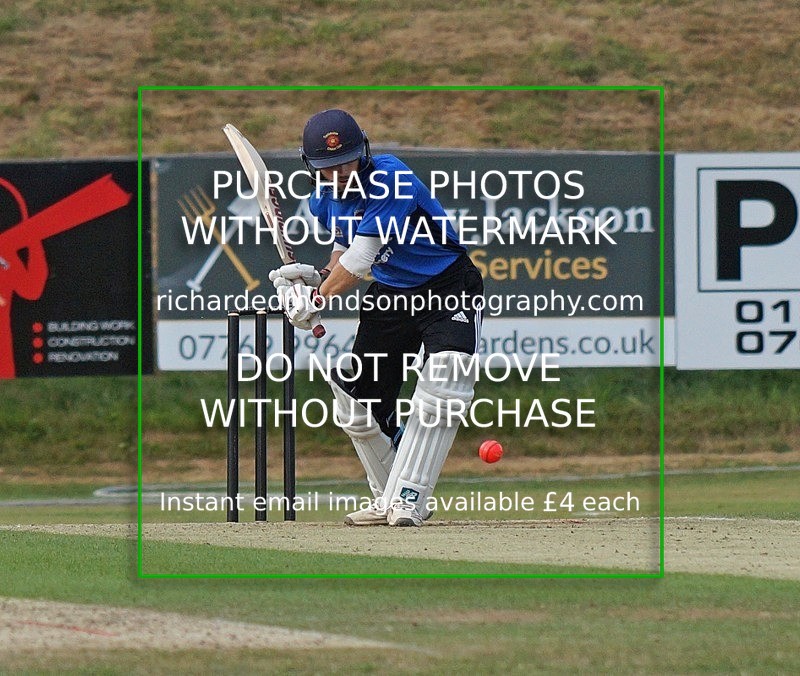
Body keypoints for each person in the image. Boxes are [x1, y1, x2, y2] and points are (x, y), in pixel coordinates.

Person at [270, 109, 483, 526]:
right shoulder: (322, 199)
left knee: (445, 381)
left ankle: (410, 498)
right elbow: (343, 253)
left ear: (363, 151)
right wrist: (318, 277)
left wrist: (316, 297)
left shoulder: (390, 178)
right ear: (311, 167)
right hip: (390, 295)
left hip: (446, 286)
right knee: (356, 406)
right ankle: (386, 498)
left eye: (347, 161)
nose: (340, 173)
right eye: (328, 167)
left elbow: (363, 257)